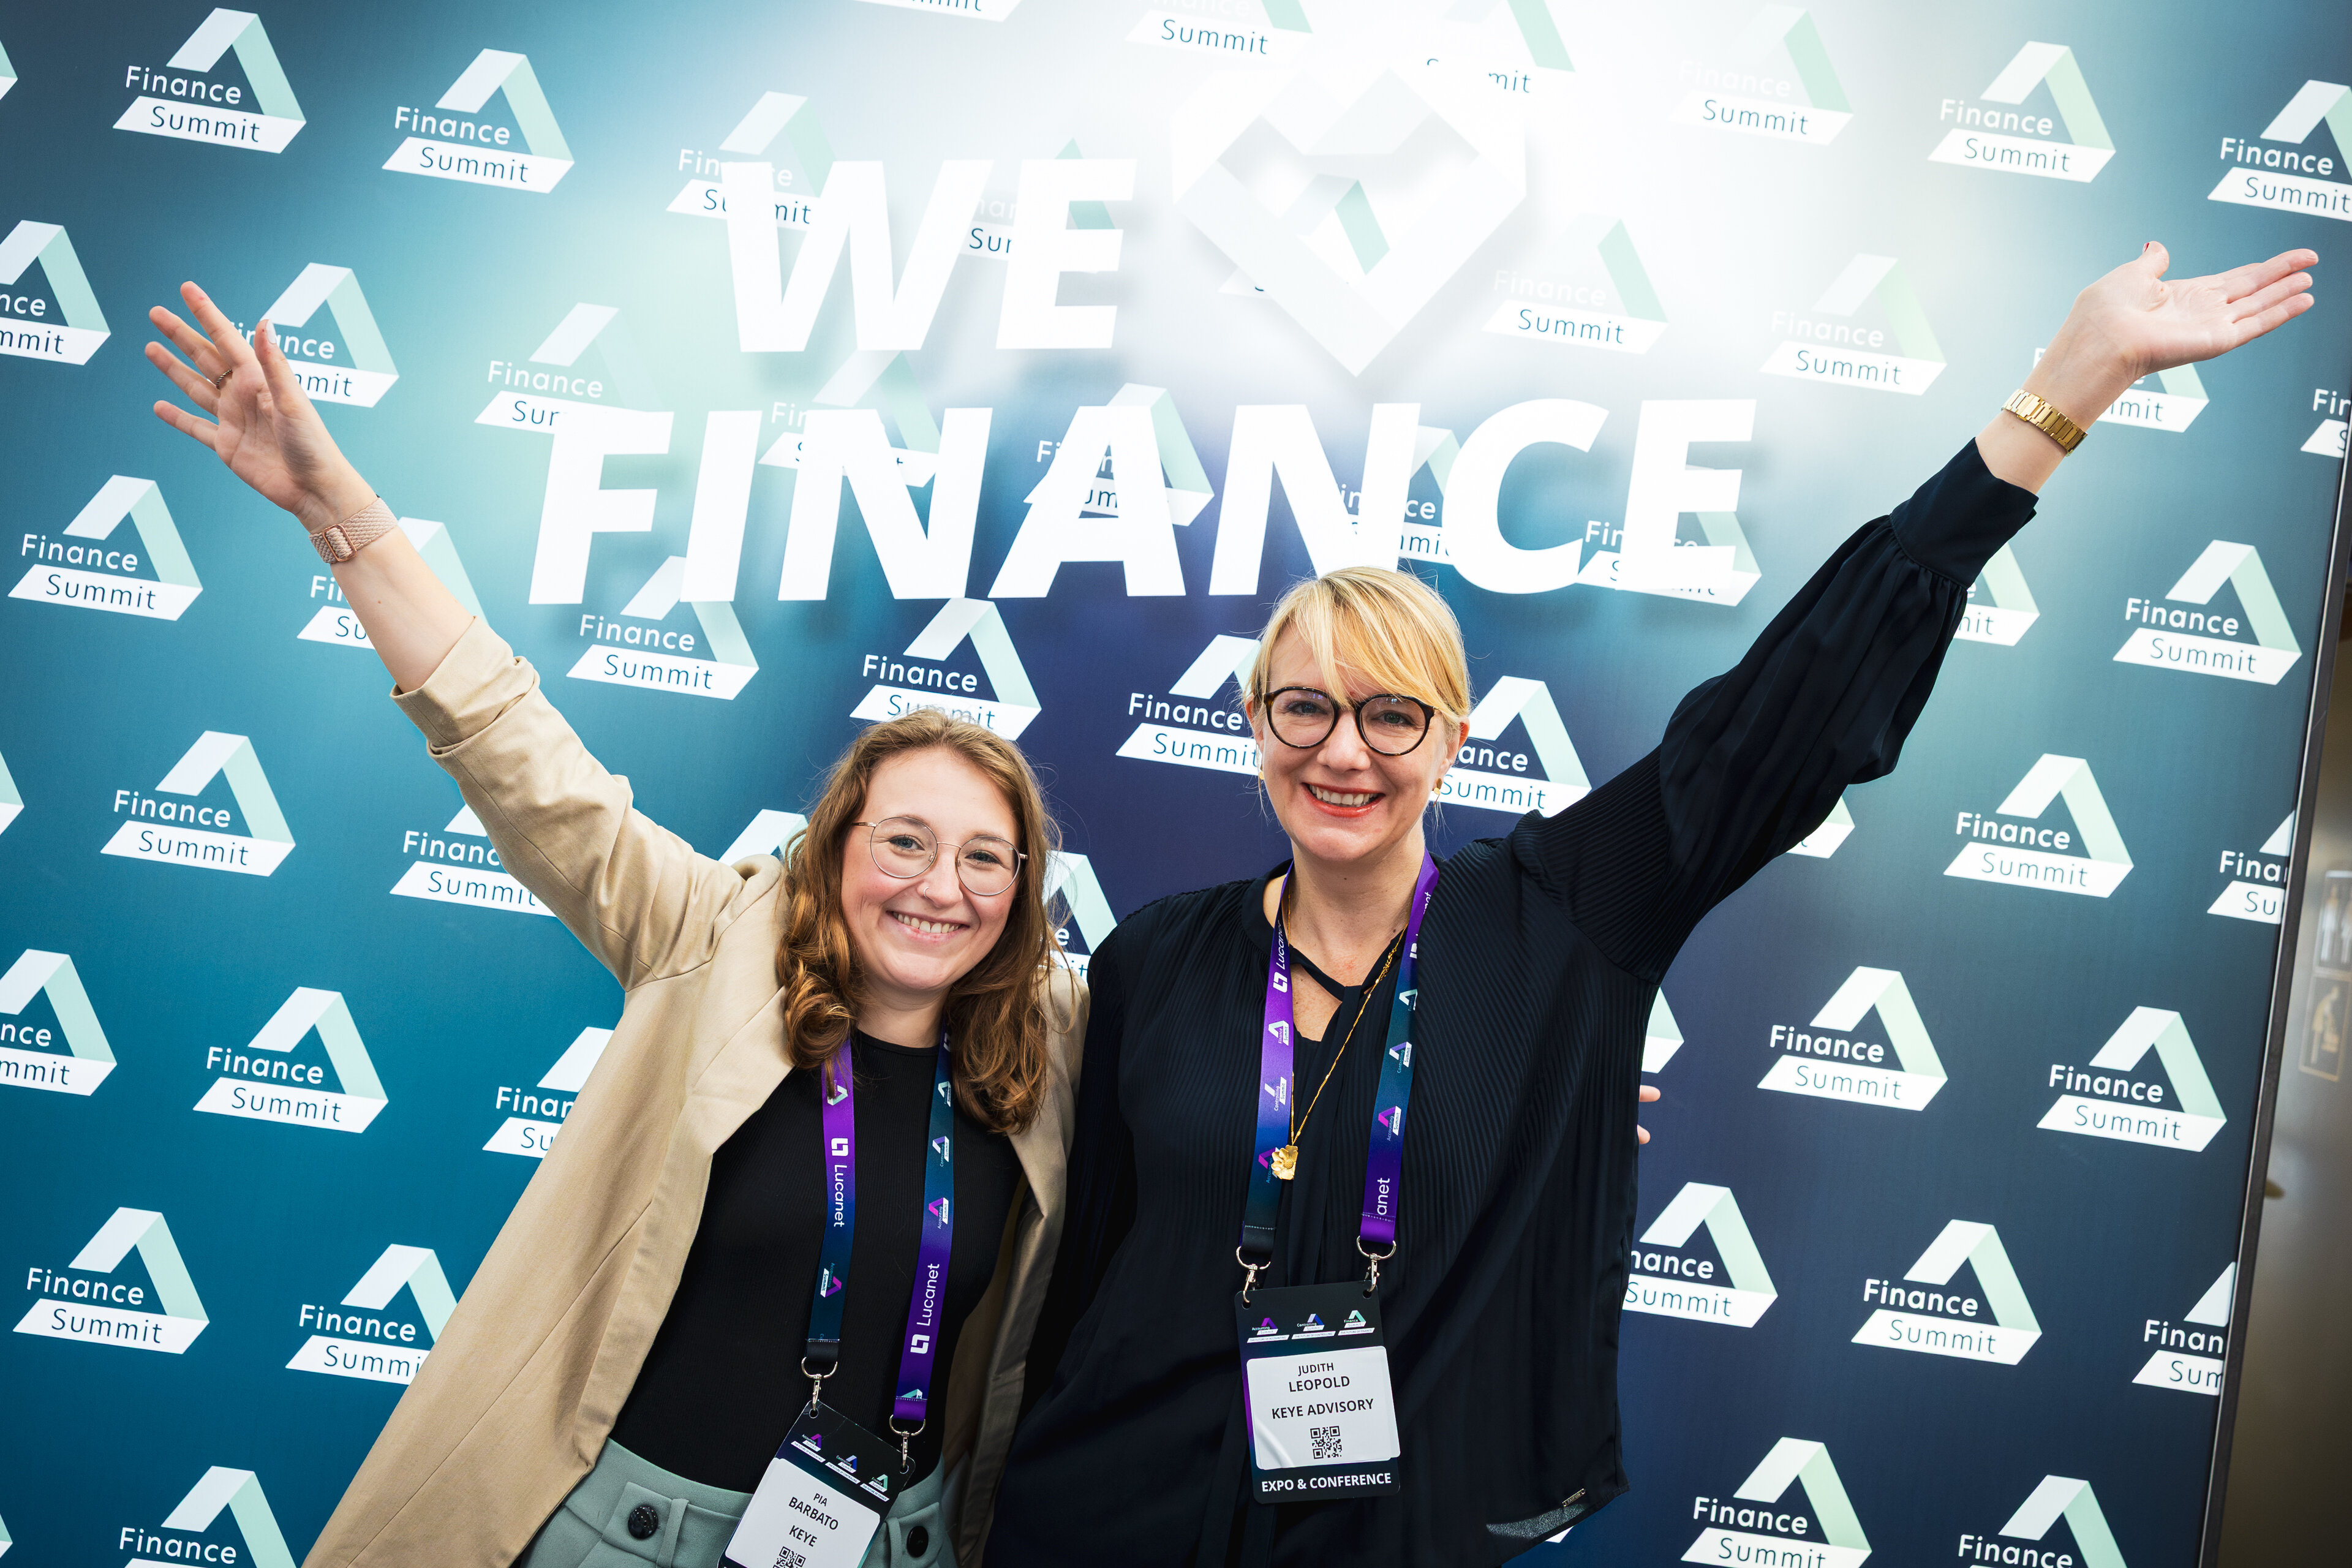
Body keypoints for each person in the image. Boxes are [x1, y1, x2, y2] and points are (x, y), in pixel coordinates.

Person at [984, 242, 2321, 1566]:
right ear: (1255, 724)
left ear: (1452, 741)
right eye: (1306, 708)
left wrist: (2061, 396)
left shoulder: (1556, 921)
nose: (1345, 751)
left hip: (1387, 1533)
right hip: (1107, 1514)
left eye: (1391, 713)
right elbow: (1077, 1256)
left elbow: (1779, 718)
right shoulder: (1158, 957)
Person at [142, 284, 1086, 1568]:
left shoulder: (1053, 1045)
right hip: (629, 1535)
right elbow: (514, 747)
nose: (941, 886)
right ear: (834, 852)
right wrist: (334, 509)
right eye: (904, 842)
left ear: (1023, 888)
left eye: (985, 858)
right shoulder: (713, 937)